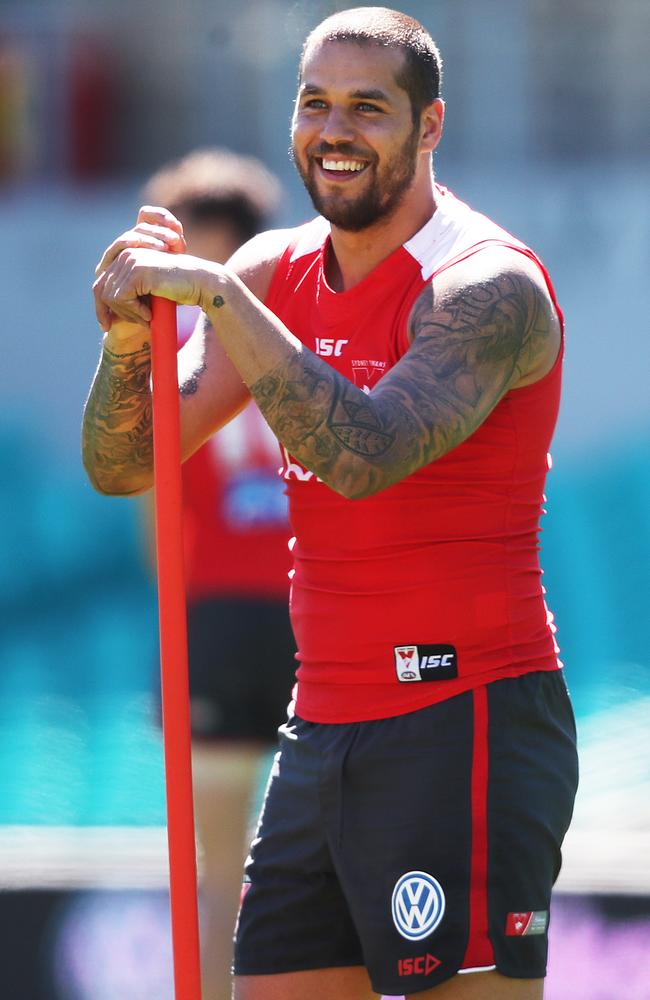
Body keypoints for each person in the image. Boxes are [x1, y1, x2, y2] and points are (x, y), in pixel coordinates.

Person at [83, 7, 579, 999]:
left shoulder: (485, 285)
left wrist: (222, 298)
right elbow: (126, 462)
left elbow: (367, 454)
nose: (333, 130)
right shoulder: (274, 271)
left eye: (368, 108)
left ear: (428, 126)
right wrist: (125, 343)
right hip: (323, 726)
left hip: (462, 713)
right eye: (313, 103)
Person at [138, 149, 296, 1000]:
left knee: (220, 871)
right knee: (321, 857)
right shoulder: (300, 343)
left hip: (222, 627)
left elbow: (148, 519)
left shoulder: (171, 353)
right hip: (314, 619)